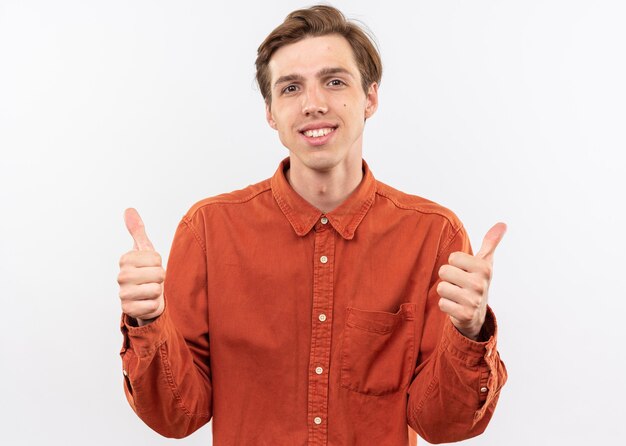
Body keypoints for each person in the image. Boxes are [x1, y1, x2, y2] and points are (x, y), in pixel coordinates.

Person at [117, 5, 507, 445]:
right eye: (290, 88)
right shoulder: (208, 230)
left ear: (370, 99)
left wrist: (470, 331)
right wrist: (147, 319)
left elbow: (442, 424)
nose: (314, 104)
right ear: (271, 112)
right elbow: (178, 416)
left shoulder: (434, 235)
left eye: (335, 81)